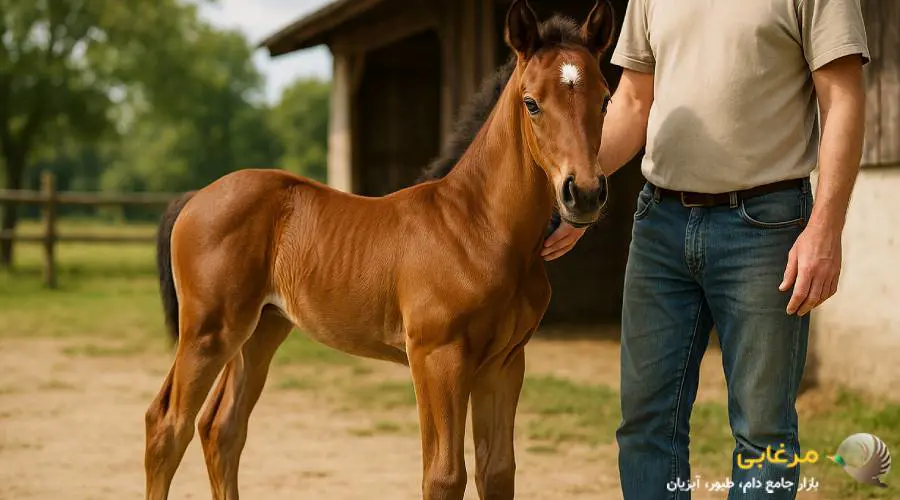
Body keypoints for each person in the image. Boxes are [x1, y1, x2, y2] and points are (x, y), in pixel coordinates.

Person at [542, 1, 869, 498]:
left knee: (764, 432)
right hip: (660, 226)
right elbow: (632, 101)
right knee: (645, 426)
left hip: (765, 227)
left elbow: (843, 98)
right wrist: (587, 192)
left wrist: (826, 227)